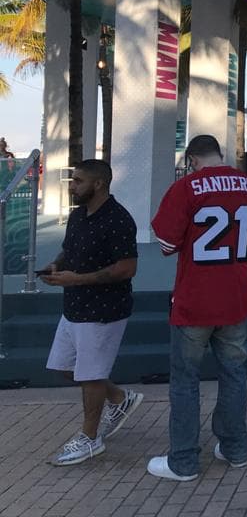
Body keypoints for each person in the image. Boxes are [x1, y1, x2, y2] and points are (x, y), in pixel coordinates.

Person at [148, 135, 247, 481]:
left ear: (191, 159)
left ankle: (183, 461)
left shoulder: (186, 187)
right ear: (220, 154)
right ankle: (235, 448)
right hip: (236, 296)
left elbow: (167, 244)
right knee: (234, 372)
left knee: (185, 380)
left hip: (194, 300)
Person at [39, 159, 143, 466]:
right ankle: (118, 398)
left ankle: (89, 438)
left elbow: (127, 268)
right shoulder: (78, 215)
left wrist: (78, 279)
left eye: (79, 181)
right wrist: (57, 266)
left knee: (91, 375)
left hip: (103, 310)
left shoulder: (118, 219)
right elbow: (69, 249)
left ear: (98, 184)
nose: (72, 186)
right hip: (74, 305)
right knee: (63, 366)